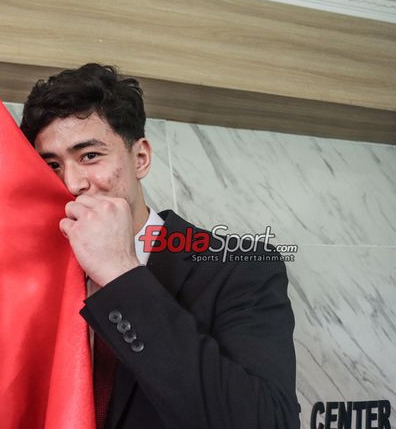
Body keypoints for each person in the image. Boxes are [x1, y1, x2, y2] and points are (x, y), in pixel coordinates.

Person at [20, 63, 300, 429]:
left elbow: (267, 423)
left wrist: (121, 273)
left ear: (141, 158)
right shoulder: (32, 277)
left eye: (90, 156)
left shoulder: (238, 266)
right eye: (52, 165)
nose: (71, 183)